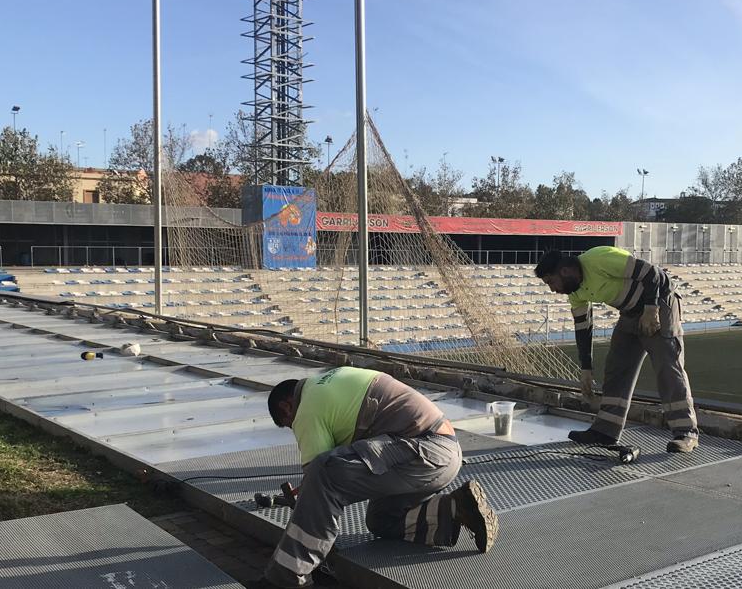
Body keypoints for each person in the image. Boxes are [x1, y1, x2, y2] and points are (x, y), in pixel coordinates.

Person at [258, 366, 498, 588]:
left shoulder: (306, 407)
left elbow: (320, 476)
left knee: (324, 475)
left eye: (289, 425)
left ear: (287, 406)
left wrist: (309, 496)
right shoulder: (331, 379)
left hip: (422, 451)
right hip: (441, 455)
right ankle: (457, 506)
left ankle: (287, 575)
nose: (295, 429)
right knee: (382, 520)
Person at [534, 247, 699, 453]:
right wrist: (586, 367)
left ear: (564, 272)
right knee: (617, 366)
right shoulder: (575, 290)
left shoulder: (598, 259)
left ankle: (686, 433)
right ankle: (606, 431)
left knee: (668, 367)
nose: (552, 289)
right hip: (630, 311)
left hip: (659, 304)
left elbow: (652, 273)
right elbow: (583, 328)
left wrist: (651, 309)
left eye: (551, 282)